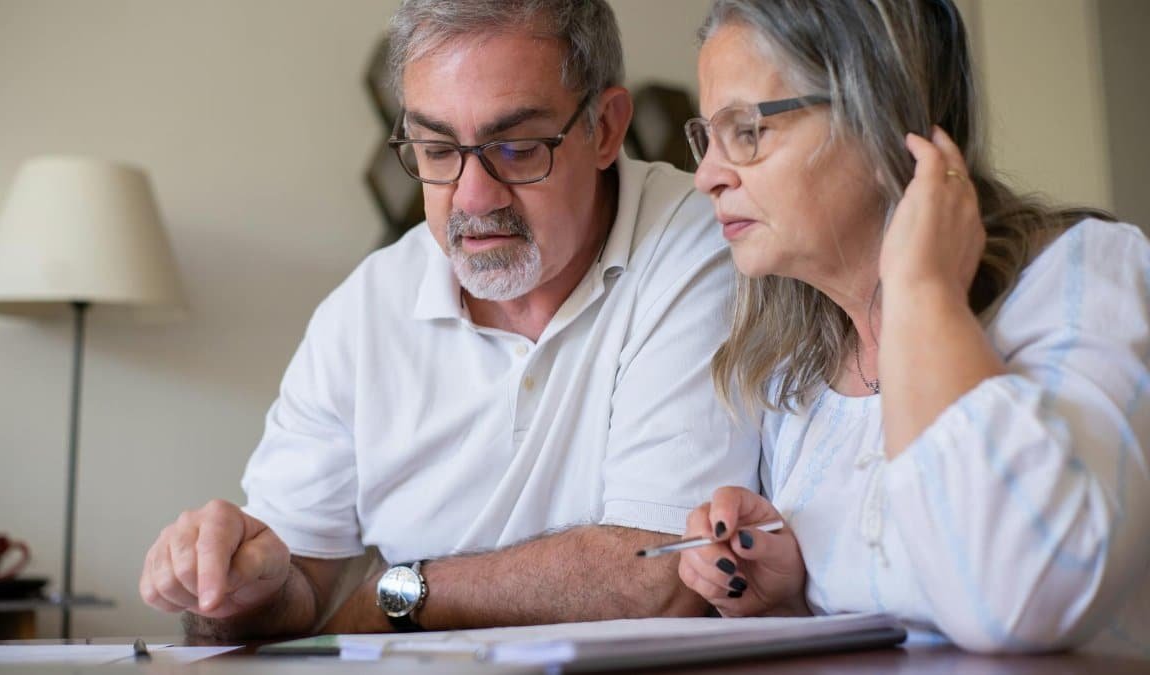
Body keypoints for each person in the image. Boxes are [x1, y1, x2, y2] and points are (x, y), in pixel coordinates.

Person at [139, 0, 756, 638]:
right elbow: (290, 594)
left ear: (605, 129)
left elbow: (661, 571)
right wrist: (227, 588)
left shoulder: (701, 243)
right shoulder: (365, 309)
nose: (473, 198)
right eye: (436, 150)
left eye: (516, 148)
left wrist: (396, 596)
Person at [676, 0, 1150, 656]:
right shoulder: (799, 382)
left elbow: (1024, 596)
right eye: (706, 136)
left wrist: (923, 295)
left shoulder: (1086, 277)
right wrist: (789, 599)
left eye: (746, 131)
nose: (706, 176)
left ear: (876, 116)